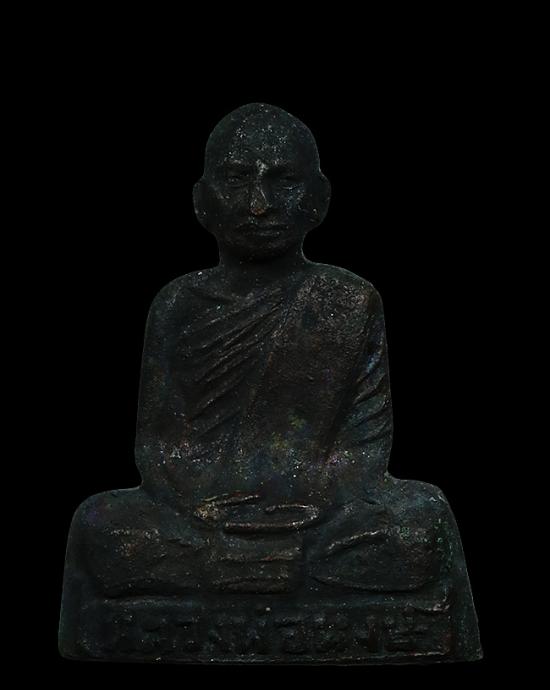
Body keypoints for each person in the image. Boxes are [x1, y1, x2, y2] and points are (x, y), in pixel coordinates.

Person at [60, 103, 480, 661]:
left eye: (282, 181)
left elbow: (365, 448)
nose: (259, 203)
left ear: (319, 199)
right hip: (201, 516)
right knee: (101, 525)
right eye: (237, 180)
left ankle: (254, 573)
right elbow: (158, 447)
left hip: (320, 517)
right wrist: (206, 513)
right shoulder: (178, 305)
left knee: (420, 521)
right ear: (202, 201)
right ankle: (263, 572)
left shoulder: (347, 301)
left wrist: (313, 510)